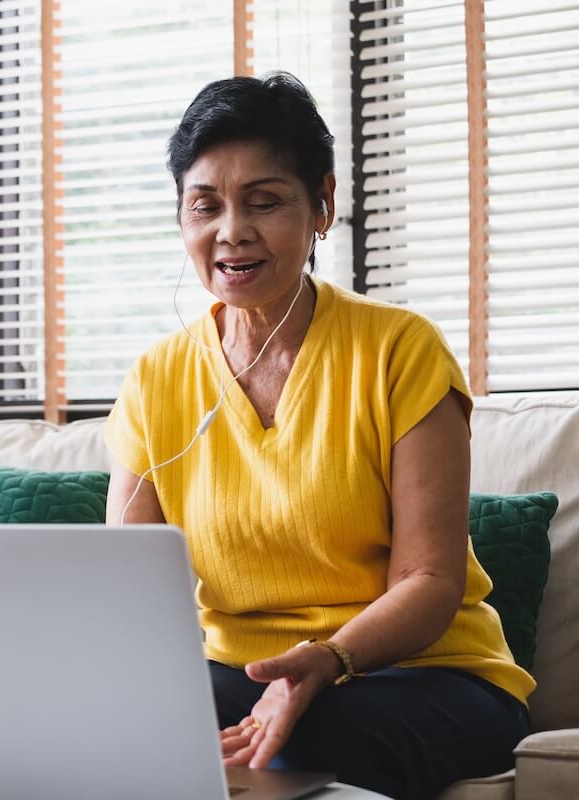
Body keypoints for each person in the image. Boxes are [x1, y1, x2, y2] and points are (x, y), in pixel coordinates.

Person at [104, 72, 531, 800]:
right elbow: (125, 588)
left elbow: (430, 582)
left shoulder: (400, 349)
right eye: (204, 206)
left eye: (263, 202)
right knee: (97, 728)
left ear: (323, 206)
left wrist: (326, 659)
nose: (231, 230)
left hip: (421, 675)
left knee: (306, 740)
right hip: (241, 677)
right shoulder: (155, 378)